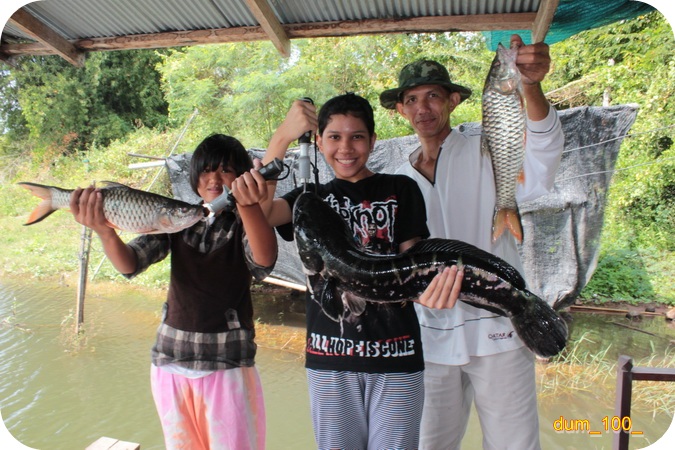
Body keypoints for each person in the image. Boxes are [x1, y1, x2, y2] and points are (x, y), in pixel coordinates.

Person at [379, 34, 565, 450]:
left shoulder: (489, 149)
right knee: (426, 444)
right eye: (411, 99)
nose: (422, 108)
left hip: (500, 330)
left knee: (513, 445)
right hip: (429, 338)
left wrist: (530, 86)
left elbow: (544, 153)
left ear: (453, 102)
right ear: (400, 109)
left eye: (432, 96)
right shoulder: (396, 181)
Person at [251, 93, 461, 449]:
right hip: (329, 360)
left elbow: (415, 264)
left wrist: (432, 290)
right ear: (318, 142)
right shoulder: (308, 199)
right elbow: (264, 212)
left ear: (373, 141)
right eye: (334, 137)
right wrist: (281, 137)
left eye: (357, 136)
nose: (345, 147)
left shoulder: (401, 188)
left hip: (397, 359)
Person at [69, 134, 277, 450]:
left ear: (242, 177)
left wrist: (249, 206)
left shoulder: (244, 222)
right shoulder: (176, 218)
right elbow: (130, 263)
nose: (214, 179)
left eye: (225, 171)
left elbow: (263, 262)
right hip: (170, 361)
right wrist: (104, 230)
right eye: (207, 171)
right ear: (194, 178)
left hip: (226, 363)